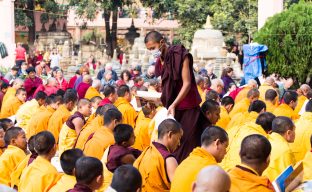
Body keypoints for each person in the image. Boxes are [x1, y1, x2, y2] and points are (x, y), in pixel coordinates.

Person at [145, 31, 204, 163]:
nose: (151, 52)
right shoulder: (160, 62)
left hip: (187, 107)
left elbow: (187, 83)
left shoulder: (180, 54)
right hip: (172, 110)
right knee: (172, 144)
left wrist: (174, 104)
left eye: (152, 48)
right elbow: (167, 86)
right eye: (149, 50)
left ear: (161, 42)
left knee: (186, 143)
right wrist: (155, 101)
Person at [171, 126, 228, 192]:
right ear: (217, 143)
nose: (226, 152)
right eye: (225, 146)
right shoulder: (213, 170)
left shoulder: (184, 163)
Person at [134, 119, 183, 191]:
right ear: (170, 134)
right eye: (179, 138)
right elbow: (178, 188)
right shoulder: (169, 159)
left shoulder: (146, 152)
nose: (179, 143)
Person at [101, 124, 141, 190]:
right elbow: (137, 167)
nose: (135, 137)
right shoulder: (126, 156)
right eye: (132, 136)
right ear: (124, 143)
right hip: (112, 184)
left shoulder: (113, 146)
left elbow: (133, 150)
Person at [263, 116, 296, 181]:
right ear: (288, 133)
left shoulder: (267, 139)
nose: (295, 133)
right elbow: (289, 180)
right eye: (294, 130)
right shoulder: (285, 150)